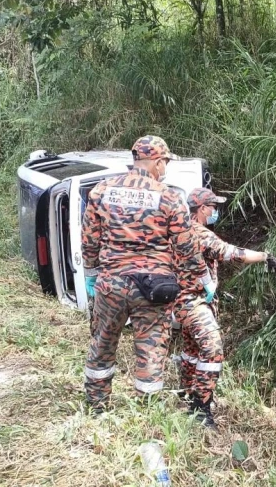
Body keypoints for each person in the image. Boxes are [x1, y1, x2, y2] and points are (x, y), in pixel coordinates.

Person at [81, 135, 214, 413]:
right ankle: (147, 412)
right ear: (157, 161)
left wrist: (92, 274)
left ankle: (96, 408)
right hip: (154, 289)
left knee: (102, 344)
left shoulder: (101, 191)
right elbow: (187, 248)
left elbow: (90, 240)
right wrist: (204, 280)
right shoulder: (169, 197)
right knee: (151, 351)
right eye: (165, 163)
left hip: (111, 285)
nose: (165, 169)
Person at [175, 187, 276, 428]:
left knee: (192, 352)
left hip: (181, 303)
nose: (216, 212)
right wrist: (265, 256)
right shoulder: (200, 233)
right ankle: (200, 410)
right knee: (212, 349)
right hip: (194, 303)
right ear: (203, 209)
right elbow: (232, 253)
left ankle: (187, 395)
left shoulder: (180, 230)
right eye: (213, 207)